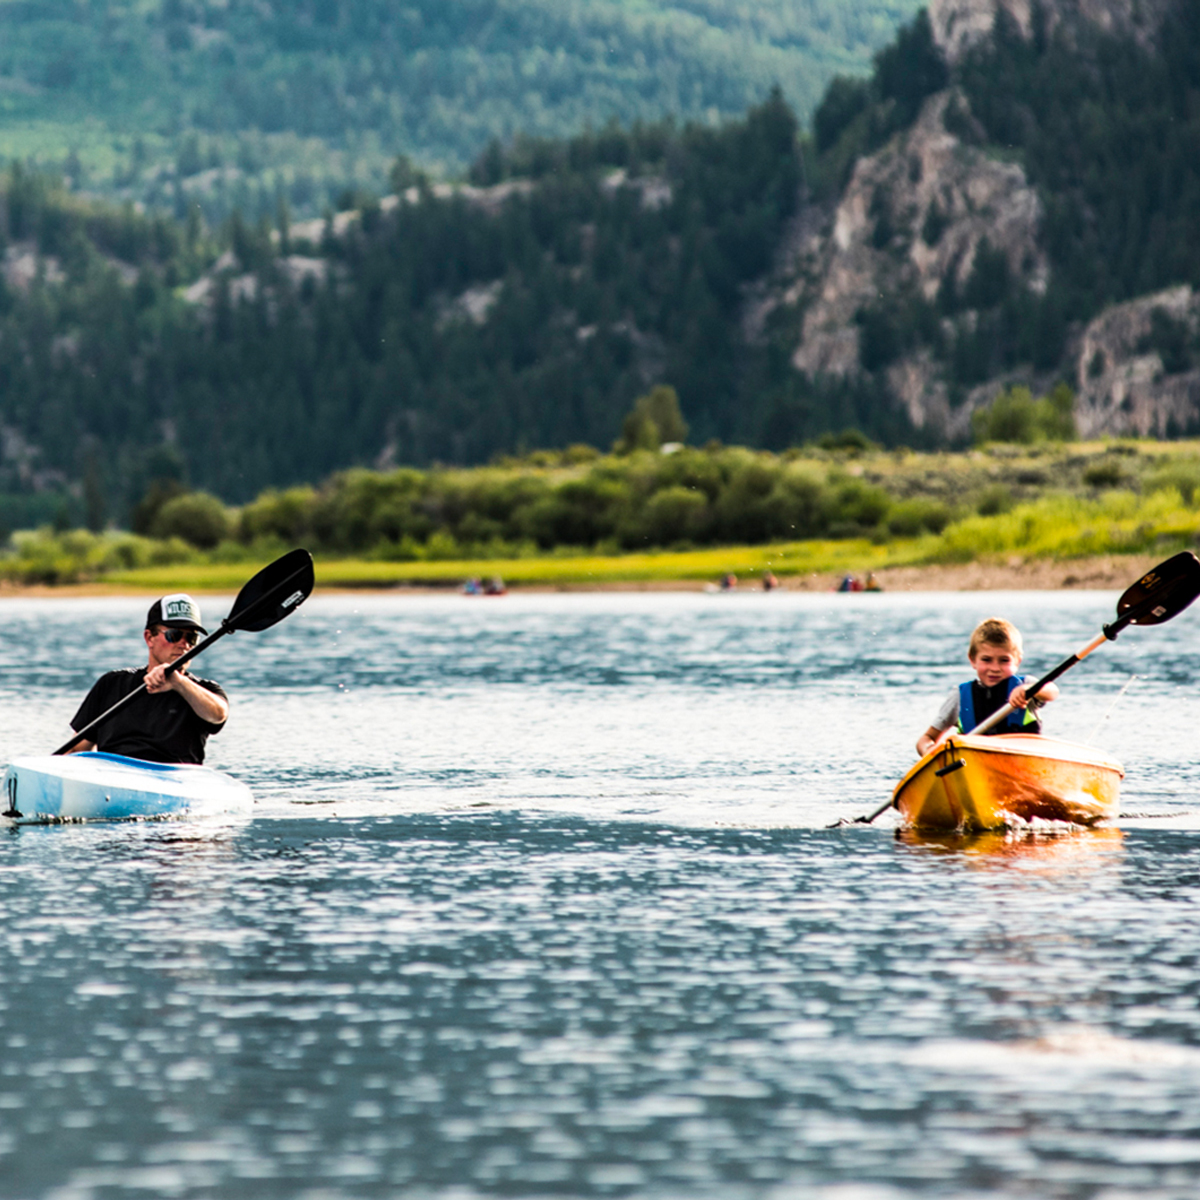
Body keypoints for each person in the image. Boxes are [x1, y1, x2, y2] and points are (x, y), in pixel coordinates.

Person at [67, 594, 230, 764]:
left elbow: (218, 715)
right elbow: (77, 749)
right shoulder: (112, 683)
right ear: (149, 638)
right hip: (115, 771)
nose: (184, 644)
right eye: (174, 635)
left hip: (175, 776)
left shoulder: (205, 690)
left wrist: (179, 683)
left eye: (191, 638)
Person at [915, 617, 1058, 757]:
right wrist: (930, 751)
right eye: (986, 660)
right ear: (973, 660)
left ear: (1017, 661)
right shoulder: (959, 696)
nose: (995, 668)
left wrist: (1027, 690)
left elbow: (1052, 691)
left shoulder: (1026, 686)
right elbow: (926, 739)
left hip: (1023, 760)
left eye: (1004, 660)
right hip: (975, 764)